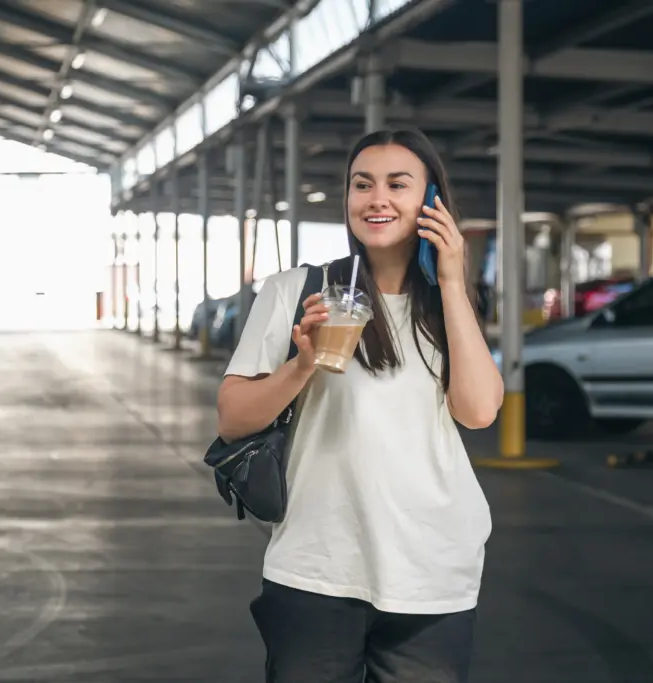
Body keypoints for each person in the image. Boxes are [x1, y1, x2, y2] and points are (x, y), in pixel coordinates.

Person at [216, 127, 502, 683]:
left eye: (399, 184)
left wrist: (450, 278)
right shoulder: (297, 291)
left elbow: (479, 412)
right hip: (317, 567)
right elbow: (233, 417)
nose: (378, 199)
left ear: (431, 201)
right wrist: (302, 363)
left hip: (432, 569)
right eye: (362, 184)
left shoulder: (446, 305)